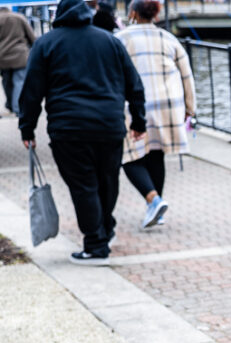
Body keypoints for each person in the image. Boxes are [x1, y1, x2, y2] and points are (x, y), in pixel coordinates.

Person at [19, 0, 146, 265]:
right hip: (109, 125)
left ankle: (96, 245)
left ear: (59, 14)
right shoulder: (110, 41)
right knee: (108, 181)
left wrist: (27, 127)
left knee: (83, 185)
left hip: (69, 128)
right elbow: (134, 83)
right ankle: (105, 230)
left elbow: (32, 90)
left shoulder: (47, 43)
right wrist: (138, 121)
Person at [116, 0, 195, 230]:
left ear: (132, 13)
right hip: (167, 105)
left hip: (135, 105)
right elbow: (186, 75)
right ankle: (156, 210)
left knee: (127, 155)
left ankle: (154, 201)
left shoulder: (121, 39)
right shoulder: (168, 38)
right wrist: (189, 108)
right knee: (156, 154)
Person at [0, 6, 36, 117]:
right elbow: (32, 37)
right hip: (20, 55)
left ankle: (10, 105)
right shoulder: (19, 17)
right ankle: (18, 108)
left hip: (2, 56)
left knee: (6, 82)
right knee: (19, 81)